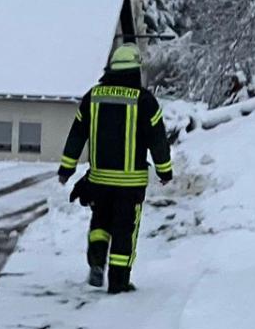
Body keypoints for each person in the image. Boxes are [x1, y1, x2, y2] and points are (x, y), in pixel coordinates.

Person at [57, 44, 174, 294]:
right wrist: (165, 172)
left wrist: (66, 169)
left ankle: (97, 261)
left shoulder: (93, 96)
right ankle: (119, 282)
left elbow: (77, 134)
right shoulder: (144, 101)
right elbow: (158, 139)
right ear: (135, 71)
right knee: (125, 230)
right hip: (130, 185)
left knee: (100, 222)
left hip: (99, 180)